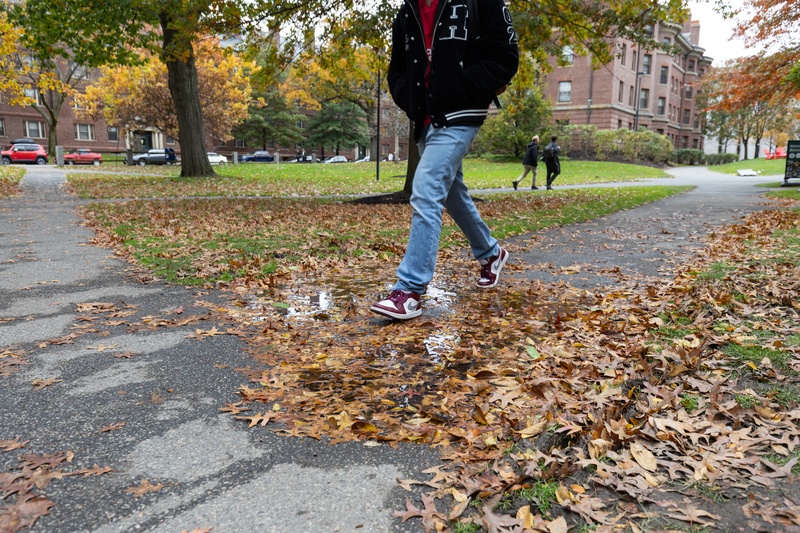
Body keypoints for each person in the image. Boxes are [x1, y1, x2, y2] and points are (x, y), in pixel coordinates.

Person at [370, 0, 519, 320]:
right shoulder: (407, 11)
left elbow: (505, 57)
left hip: (462, 113)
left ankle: (409, 289)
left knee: (425, 186)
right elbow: (396, 70)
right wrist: (411, 97)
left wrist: (462, 87)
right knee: (452, 193)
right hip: (425, 118)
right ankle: (492, 253)